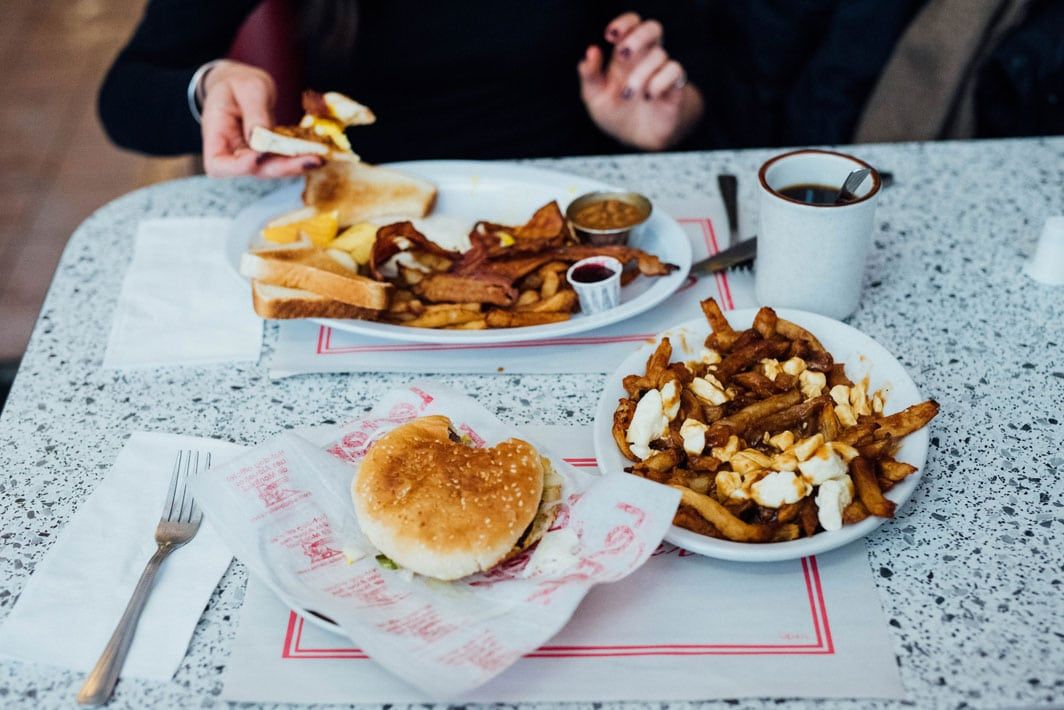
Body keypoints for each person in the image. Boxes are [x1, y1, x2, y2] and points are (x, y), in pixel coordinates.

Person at [99, 1, 709, 178]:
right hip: (365, 215)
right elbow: (125, 97)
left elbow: (711, 59)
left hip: (572, 198)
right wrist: (211, 88)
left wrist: (665, 120)